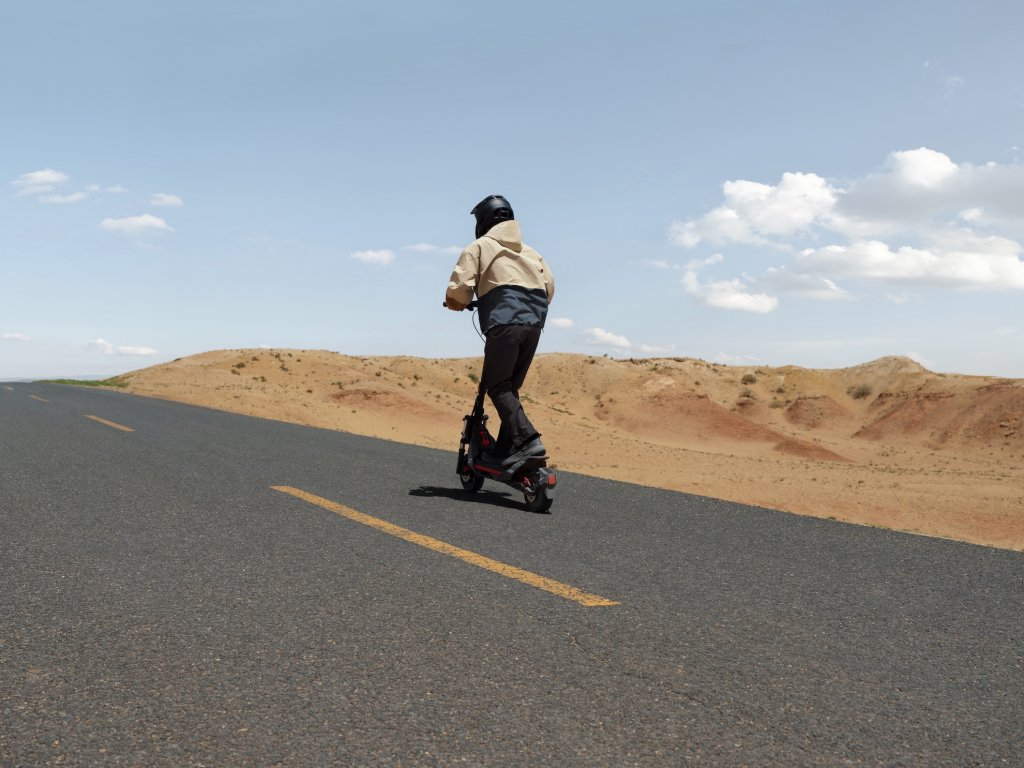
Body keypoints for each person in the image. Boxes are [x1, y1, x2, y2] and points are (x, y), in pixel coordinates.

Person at [445, 195, 555, 469]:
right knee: (509, 388)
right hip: (534, 324)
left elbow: (459, 290)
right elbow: (549, 289)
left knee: (497, 387)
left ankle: (528, 440)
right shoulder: (532, 252)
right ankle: (507, 450)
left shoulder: (479, 246)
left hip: (504, 323)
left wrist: (455, 302)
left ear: (483, 220)